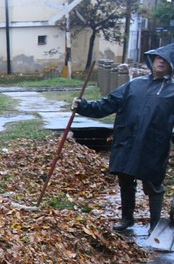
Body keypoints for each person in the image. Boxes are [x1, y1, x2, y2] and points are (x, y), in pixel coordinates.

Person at [72, 44, 174, 233]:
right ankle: (127, 219)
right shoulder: (134, 85)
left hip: (153, 145)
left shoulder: (172, 91)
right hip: (127, 141)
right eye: (158, 58)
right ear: (152, 60)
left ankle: (155, 225)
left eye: (166, 60)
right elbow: (107, 104)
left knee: (153, 184)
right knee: (125, 180)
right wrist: (83, 106)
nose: (161, 61)